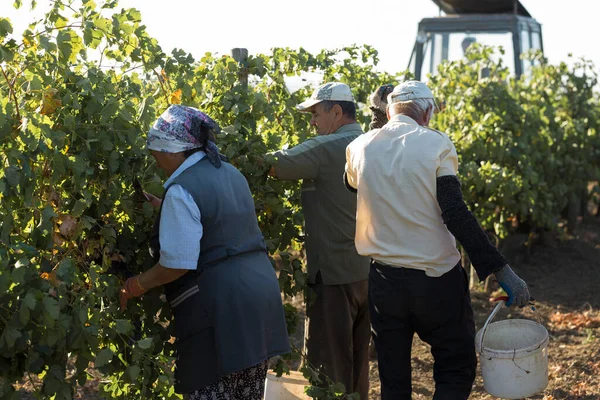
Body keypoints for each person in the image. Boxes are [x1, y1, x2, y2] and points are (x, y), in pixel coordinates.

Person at [345, 81, 532, 399]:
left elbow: (352, 184)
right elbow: (455, 213)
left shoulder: (358, 147)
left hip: (384, 283)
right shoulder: (436, 145)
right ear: (428, 112)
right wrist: (503, 272)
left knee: (393, 378)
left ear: (389, 111)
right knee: (455, 368)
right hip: (436, 282)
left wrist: (380, 124)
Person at [120, 105, 290, 400]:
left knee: (210, 387)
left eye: (155, 151)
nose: (154, 159)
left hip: (222, 306)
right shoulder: (229, 171)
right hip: (259, 296)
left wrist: (138, 284)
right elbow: (221, 221)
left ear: (173, 149)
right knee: (245, 392)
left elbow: (177, 264)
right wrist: (167, 210)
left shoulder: (182, 190)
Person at [269, 82, 370, 399]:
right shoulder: (371, 142)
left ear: (336, 111)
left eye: (315, 114)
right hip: (369, 271)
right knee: (357, 364)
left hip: (334, 276)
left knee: (327, 367)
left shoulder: (329, 148)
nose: (312, 122)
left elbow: (275, 164)